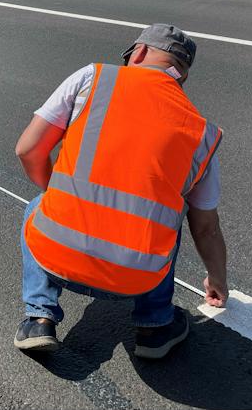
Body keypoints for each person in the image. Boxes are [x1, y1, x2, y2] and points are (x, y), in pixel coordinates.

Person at [13, 24, 228, 359]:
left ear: (138, 53)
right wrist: (217, 279)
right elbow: (206, 227)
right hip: (135, 279)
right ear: (182, 77)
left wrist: (57, 197)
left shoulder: (93, 77)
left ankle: (39, 318)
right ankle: (155, 327)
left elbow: (28, 149)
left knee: (38, 206)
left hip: (56, 257)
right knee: (166, 223)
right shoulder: (202, 133)